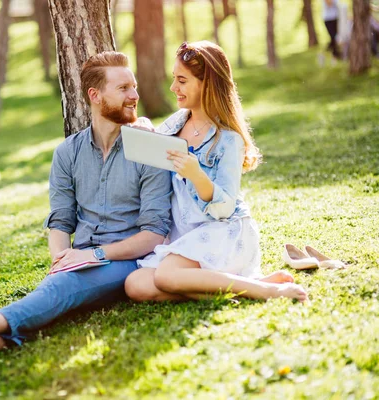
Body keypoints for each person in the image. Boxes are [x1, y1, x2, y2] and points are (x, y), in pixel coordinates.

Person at [0, 51, 173, 361]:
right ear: (95, 95)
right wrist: (61, 260)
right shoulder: (67, 153)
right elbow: (61, 222)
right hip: (81, 258)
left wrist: (93, 255)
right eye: (123, 88)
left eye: (134, 86)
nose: (134, 95)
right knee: (62, 291)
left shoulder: (150, 148)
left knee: (62, 290)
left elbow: (154, 234)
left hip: (130, 261)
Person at [124, 41, 308, 303]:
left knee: (165, 276)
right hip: (186, 236)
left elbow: (224, 208)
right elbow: (152, 160)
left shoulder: (227, 140)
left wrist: (196, 174)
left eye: (182, 80)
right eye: (174, 79)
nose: (173, 87)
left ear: (206, 83)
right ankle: (238, 286)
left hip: (224, 232)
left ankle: (265, 291)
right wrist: (143, 130)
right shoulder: (174, 124)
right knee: (136, 284)